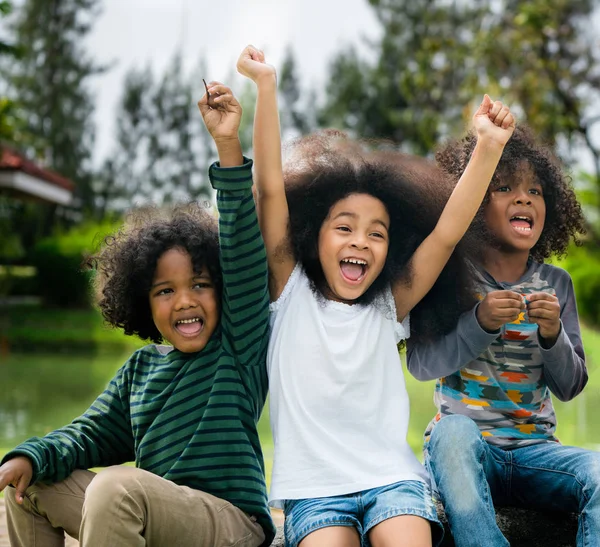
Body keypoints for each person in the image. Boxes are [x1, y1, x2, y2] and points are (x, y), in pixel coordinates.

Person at [236, 44, 516, 547]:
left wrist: (489, 148)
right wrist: (266, 86)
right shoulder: (289, 290)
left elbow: (447, 233)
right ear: (312, 236)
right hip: (315, 492)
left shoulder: (391, 304)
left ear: (392, 249)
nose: (360, 241)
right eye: (344, 227)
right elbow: (271, 191)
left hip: (391, 481)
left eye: (377, 233)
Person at [0, 82, 276, 547]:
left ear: (223, 291)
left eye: (201, 285)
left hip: (230, 525)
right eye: (165, 291)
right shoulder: (141, 372)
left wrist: (227, 145)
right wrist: (30, 455)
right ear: (144, 305)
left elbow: (245, 252)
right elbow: (87, 435)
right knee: (30, 487)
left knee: (116, 486)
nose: (185, 300)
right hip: (154, 514)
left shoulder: (237, 345)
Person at [406, 125, 596, 547]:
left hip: (537, 453)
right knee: (451, 433)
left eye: (536, 190)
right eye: (505, 187)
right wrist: (479, 323)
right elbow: (421, 365)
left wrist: (553, 336)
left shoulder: (556, 284)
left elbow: (570, 386)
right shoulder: (452, 277)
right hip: (467, 452)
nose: (524, 197)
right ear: (473, 205)